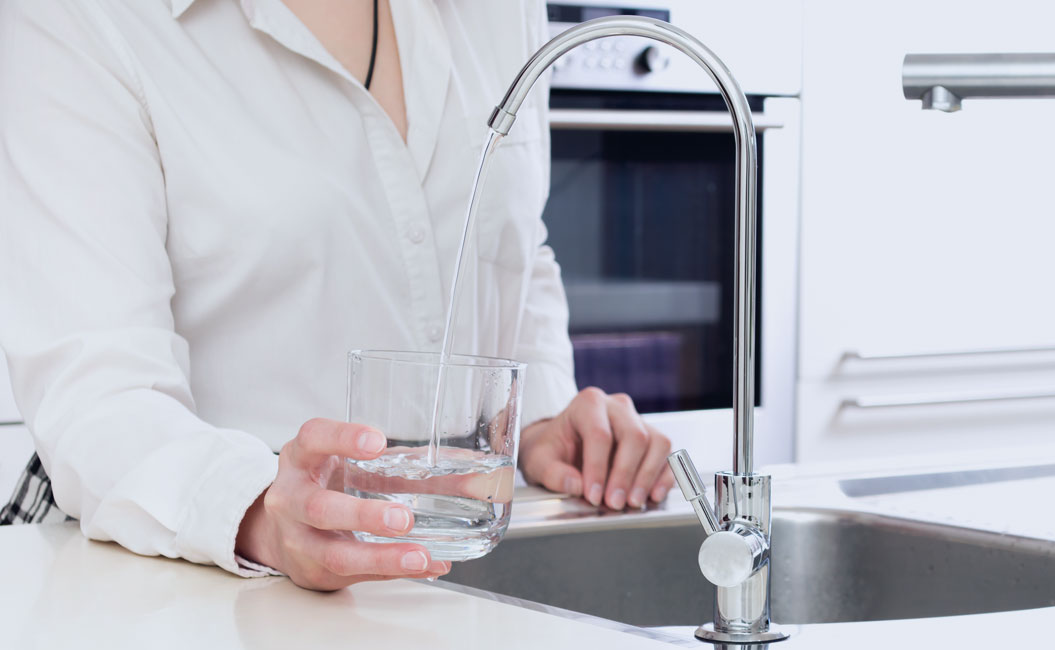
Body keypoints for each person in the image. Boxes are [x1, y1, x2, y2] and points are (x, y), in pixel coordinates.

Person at [0, 0, 675, 591]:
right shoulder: (81, 15)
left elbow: (518, 247)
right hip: (207, 588)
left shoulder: (500, 8)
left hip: (461, 574)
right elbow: (99, 398)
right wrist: (263, 510)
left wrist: (537, 423)